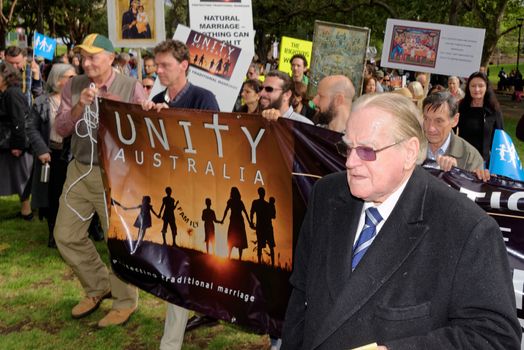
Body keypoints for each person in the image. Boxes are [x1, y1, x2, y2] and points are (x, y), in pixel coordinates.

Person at [281, 92, 521, 349]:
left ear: (409, 152)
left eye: (367, 151)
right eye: (347, 147)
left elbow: (495, 337)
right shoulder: (327, 195)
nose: (350, 162)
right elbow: (301, 297)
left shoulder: (466, 228)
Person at [53, 33, 145, 328]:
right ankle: (98, 286)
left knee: (116, 241)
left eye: (93, 56)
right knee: (65, 235)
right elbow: (62, 128)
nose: (86, 62)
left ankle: (124, 302)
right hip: (80, 169)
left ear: (111, 58)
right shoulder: (73, 85)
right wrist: (80, 105)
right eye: (83, 56)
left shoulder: (132, 87)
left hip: (116, 175)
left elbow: (143, 135)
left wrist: (120, 110)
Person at [141, 39, 219, 349]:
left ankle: (176, 335)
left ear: (184, 65)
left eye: (165, 66)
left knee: (191, 261)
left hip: (198, 196)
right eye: (156, 65)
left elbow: (213, 148)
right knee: (180, 263)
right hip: (167, 192)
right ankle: (174, 336)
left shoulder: (204, 98)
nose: (158, 70)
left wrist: (171, 120)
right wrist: (148, 120)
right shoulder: (156, 98)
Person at [26, 64, 77, 246]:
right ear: (57, 79)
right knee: (53, 195)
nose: (74, 80)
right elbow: (31, 128)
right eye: (69, 77)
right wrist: (41, 150)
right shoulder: (42, 102)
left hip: (73, 156)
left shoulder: (79, 100)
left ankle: (77, 232)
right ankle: (53, 233)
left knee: (73, 196)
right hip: (50, 156)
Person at [0, 62, 33, 220]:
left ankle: (26, 211)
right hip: (7, 142)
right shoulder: (6, 92)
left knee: (21, 178)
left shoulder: (12, 93)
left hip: (14, 144)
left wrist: (18, 145)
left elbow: (19, 120)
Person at [422, 91, 484, 171]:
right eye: (426, 119)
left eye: (439, 121)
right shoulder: (410, 147)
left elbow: (474, 183)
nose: (430, 128)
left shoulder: (470, 157)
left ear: (455, 120)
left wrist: (456, 174)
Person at [457, 71, 503, 163]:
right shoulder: (461, 107)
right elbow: (451, 131)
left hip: (485, 161)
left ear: (486, 88)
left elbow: (500, 137)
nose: (476, 89)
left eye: (481, 86)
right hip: (464, 159)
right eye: (473, 86)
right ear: (468, 88)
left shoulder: (494, 109)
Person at [221, 186, 251, 261]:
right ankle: (232, 257)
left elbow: (245, 212)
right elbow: (226, 211)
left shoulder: (235, 202)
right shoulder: (234, 202)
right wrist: (222, 219)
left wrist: (223, 220)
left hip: (237, 222)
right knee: (234, 239)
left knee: (236, 239)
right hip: (236, 222)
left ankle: (234, 257)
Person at [249, 187, 276, 266]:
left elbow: (273, 216)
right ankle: (261, 262)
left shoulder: (265, 204)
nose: (262, 194)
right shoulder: (257, 203)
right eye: (262, 192)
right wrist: (251, 221)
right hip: (262, 227)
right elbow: (252, 212)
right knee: (262, 245)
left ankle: (270, 263)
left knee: (268, 245)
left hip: (266, 227)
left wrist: (272, 206)